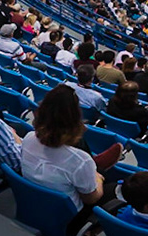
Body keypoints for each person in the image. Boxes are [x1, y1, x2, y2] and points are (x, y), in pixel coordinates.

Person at [19, 86, 107, 215]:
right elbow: (91, 199)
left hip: (33, 203)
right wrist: (98, 179)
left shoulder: (28, 138)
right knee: (111, 188)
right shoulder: (81, 160)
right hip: (66, 216)